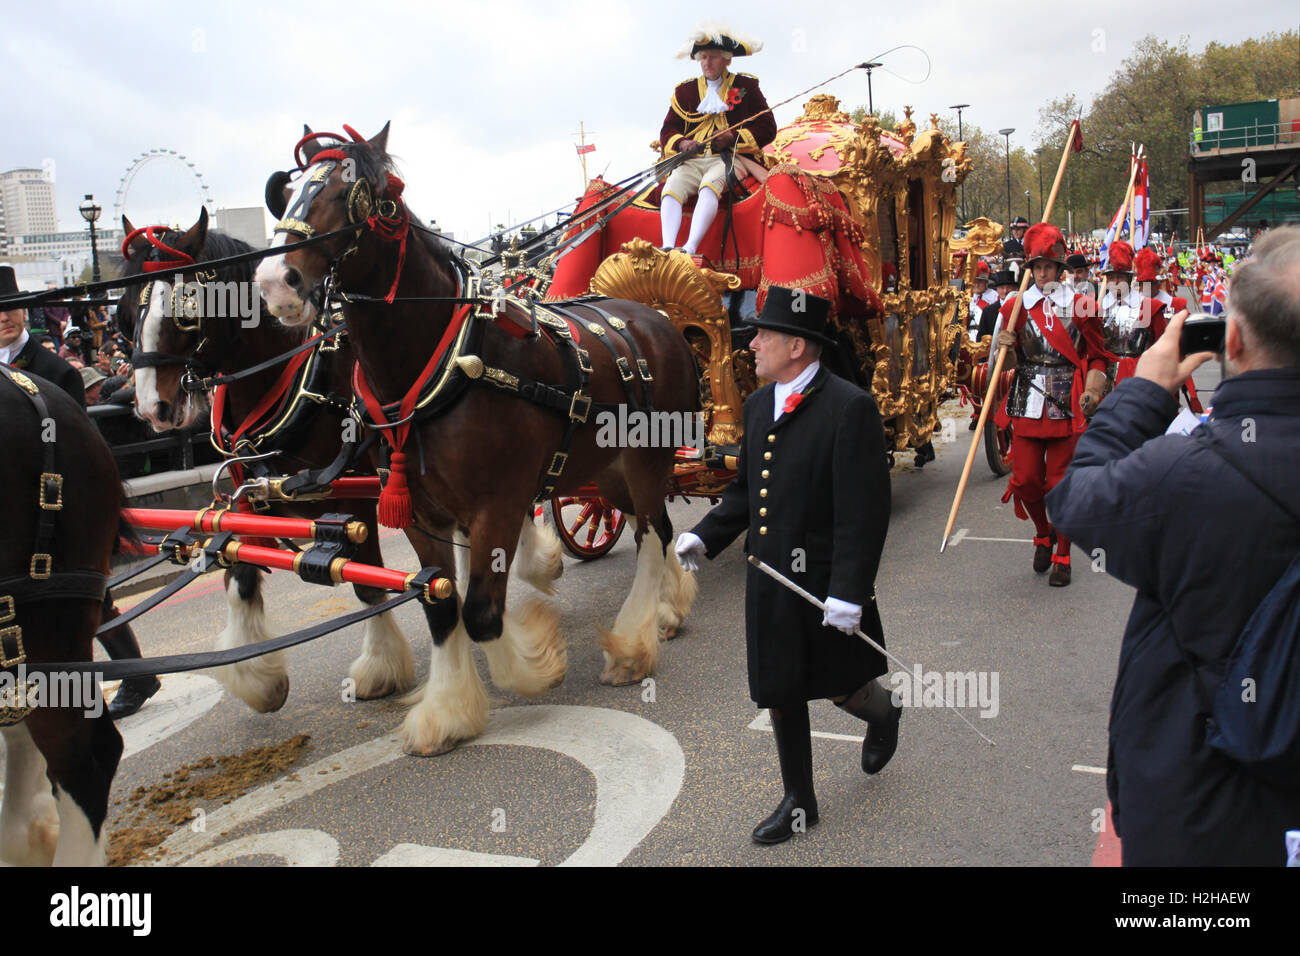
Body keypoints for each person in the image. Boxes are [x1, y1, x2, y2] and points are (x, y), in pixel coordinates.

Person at [1047, 225, 1300, 865]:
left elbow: (1076, 500)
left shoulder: (1181, 473)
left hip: (1202, 801)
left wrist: (1146, 388)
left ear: (1229, 340)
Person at [674, 287, 896, 844]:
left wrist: (850, 589)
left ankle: (885, 713)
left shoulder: (850, 407)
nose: (753, 345)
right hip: (770, 575)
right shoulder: (758, 405)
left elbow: (862, 513)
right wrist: (705, 536)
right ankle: (800, 799)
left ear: (797, 345)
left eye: (764, 335)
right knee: (780, 687)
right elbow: (748, 492)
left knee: (843, 684)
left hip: (825, 581)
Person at [0, 265, 160, 718]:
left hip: (58, 496)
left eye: (8, 309)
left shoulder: (54, 369)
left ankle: (107, 688)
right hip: (13, 504)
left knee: (82, 595)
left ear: (22, 310)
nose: (2, 320)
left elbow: (71, 440)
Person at [993, 224, 1106, 587]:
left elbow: (1099, 356)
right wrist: (1005, 348)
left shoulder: (1081, 305)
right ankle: (1043, 533)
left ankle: (1063, 554)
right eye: (1037, 267)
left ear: (1059, 268)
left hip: (1066, 400)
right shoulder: (1014, 306)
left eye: (1048, 266)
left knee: (1059, 484)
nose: (1043, 273)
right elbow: (1006, 366)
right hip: (1027, 399)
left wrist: (1092, 390)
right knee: (1026, 480)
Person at [659, 23, 775, 257]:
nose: (706, 63)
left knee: (710, 185)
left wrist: (733, 137)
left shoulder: (746, 87)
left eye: (712, 57)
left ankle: (690, 247)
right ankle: (667, 246)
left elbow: (767, 127)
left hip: (730, 157)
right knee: (672, 186)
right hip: (692, 159)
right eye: (702, 58)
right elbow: (668, 129)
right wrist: (682, 143)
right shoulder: (685, 91)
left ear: (726, 60)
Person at [1097, 240, 1163, 392]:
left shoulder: (1149, 307)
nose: (1116, 281)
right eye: (1112, 277)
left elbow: (1161, 346)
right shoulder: (1098, 308)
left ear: (1128, 278)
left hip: (1140, 376)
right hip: (1106, 378)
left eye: (1120, 276)